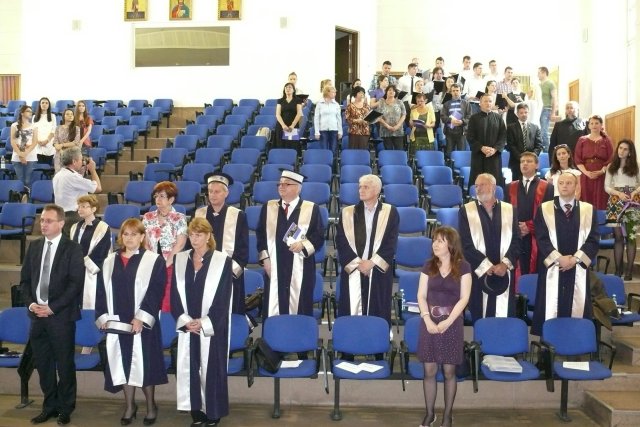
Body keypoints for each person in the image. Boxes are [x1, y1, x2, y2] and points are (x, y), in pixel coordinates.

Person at [95, 218, 167, 425]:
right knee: (123, 364)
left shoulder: (154, 260)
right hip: (117, 323)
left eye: (134, 234)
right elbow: (101, 291)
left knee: (145, 366)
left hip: (142, 324)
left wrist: (141, 317)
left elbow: (156, 291)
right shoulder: (110, 261)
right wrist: (102, 316)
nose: (129, 238)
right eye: (125, 234)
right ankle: (129, 406)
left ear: (142, 236)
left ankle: (151, 406)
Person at [20, 204, 84, 426]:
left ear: (61, 223)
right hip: (37, 317)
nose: (43, 224)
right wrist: (31, 304)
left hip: (61, 317)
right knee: (44, 365)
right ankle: (49, 406)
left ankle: (66, 408)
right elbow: (25, 281)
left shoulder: (72, 249)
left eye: (48, 220)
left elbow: (75, 284)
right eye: (42, 220)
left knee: (65, 365)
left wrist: (52, 307)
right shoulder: (35, 246)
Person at [171, 218, 233, 427]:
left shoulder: (222, 261)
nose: (194, 239)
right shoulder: (180, 259)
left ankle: (213, 412)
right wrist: (185, 321)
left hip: (211, 326)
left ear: (208, 236)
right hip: (188, 325)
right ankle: (196, 411)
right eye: (191, 234)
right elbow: (174, 295)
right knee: (190, 367)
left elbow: (223, 297)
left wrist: (205, 322)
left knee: (211, 368)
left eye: (199, 235)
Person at [531, 172, 599, 336]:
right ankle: (549, 345)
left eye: (569, 183)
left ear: (576, 186)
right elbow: (541, 238)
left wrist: (575, 259)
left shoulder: (588, 210)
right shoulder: (544, 209)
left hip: (577, 268)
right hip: (552, 268)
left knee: (577, 307)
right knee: (550, 307)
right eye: (561, 183)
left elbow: (593, 239)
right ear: (556, 186)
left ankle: (576, 345)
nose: (564, 186)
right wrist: (559, 258)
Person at [417, 226, 471, 427]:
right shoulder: (428, 265)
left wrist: (448, 321)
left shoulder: (464, 267)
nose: (435, 244)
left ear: (451, 244)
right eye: (434, 240)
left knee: (449, 372)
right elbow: (421, 295)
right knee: (429, 371)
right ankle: (430, 414)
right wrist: (427, 319)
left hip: (452, 323)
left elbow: (464, 298)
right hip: (429, 322)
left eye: (440, 240)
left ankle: (447, 415)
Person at [256, 170, 325, 318]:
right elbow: (260, 235)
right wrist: (265, 259)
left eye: (286, 184)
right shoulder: (268, 207)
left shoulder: (311, 208)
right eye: (280, 184)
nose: (281, 187)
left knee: (300, 306)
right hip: (274, 264)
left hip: (301, 266)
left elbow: (318, 237)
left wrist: (303, 245)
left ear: (298, 188)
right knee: (274, 305)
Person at [334, 174, 399, 326]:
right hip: (354, 268)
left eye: (366, 187)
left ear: (377, 190)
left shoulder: (390, 212)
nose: (361, 190)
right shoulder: (347, 213)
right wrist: (358, 264)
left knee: (377, 310)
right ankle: (350, 340)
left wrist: (372, 263)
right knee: (350, 309)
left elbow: (391, 242)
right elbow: (341, 241)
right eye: (360, 187)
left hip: (377, 270)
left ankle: (376, 340)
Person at [458, 173, 520, 322]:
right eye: (476, 186)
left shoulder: (509, 210)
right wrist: (486, 266)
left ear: (493, 187)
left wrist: (505, 264)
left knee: (504, 319)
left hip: (504, 274)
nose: (478, 189)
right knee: (480, 317)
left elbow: (517, 241)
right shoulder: (466, 211)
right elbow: (465, 244)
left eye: (482, 185)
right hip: (478, 273)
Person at [194, 173, 248, 314]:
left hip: (229, 275)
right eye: (210, 191)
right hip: (203, 271)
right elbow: (192, 244)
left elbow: (243, 250)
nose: (212, 195)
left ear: (226, 193)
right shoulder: (199, 214)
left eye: (217, 192)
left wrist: (229, 272)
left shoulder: (238, 215)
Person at [504, 152, 554, 276]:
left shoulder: (547, 188)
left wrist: (530, 226)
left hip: (537, 238)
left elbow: (549, 215)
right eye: (522, 161)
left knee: (535, 273)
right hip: (516, 237)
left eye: (529, 161)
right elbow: (505, 213)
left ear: (537, 165)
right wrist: (518, 228)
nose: (525, 164)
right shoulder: (509, 187)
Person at [142, 181, 188, 312]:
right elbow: (144, 242)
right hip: (151, 263)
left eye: (162, 196)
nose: (158, 199)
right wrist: (152, 261)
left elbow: (180, 244)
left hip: (172, 263)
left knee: (167, 301)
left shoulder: (179, 218)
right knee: (150, 298)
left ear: (171, 199)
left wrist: (165, 264)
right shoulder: (148, 217)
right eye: (156, 196)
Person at [604, 139, 640, 279]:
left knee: (631, 237)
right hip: (615, 201)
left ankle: (629, 271)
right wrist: (618, 194)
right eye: (620, 148)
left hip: (632, 201)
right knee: (618, 237)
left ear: (630, 152)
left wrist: (634, 192)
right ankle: (618, 269)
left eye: (625, 149)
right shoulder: (611, 166)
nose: (621, 151)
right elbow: (606, 187)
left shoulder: (636, 166)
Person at [70, 194, 111, 309]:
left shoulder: (103, 227)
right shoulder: (75, 227)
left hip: (92, 272)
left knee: (90, 303)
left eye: (84, 206)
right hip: (76, 270)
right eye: (79, 206)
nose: (80, 209)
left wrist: (81, 263)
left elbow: (101, 251)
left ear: (93, 209)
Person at [52, 146, 102, 237]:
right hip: (74, 216)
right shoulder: (73, 177)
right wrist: (93, 170)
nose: (82, 162)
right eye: (80, 159)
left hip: (61, 215)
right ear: (74, 161)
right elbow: (98, 188)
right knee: (77, 243)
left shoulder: (58, 175)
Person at [466, 94, 506, 187]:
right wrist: (481, 148)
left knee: (494, 183)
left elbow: (503, 136)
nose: (488, 103)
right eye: (485, 101)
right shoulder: (474, 118)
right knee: (478, 183)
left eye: (490, 101)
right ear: (480, 103)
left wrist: (495, 149)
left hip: (494, 156)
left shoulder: (499, 118)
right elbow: (470, 137)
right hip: (478, 156)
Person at [574, 115, 613, 209]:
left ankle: (600, 217)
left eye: (596, 123)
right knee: (586, 199)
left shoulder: (606, 140)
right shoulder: (582, 140)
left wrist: (602, 171)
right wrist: (587, 173)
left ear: (601, 125)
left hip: (602, 175)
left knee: (601, 199)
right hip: (586, 175)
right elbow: (577, 159)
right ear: (589, 126)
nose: (594, 125)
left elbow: (611, 158)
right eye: (591, 123)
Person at [506, 103, 543, 181]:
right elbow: (510, 145)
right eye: (521, 113)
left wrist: (531, 157)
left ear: (528, 113)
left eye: (526, 112)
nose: (524, 115)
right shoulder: (511, 128)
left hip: (532, 162)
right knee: (517, 184)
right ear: (517, 114)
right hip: (517, 162)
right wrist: (522, 158)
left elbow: (539, 145)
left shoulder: (535, 127)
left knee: (531, 184)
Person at [10, 104, 38, 192]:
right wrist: (20, 155)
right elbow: (12, 141)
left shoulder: (34, 126)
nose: (30, 113)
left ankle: (27, 198)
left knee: (27, 180)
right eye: (28, 111)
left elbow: (34, 142)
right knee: (20, 180)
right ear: (22, 113)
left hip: (30, 156)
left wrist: (25, 154)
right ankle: (20, 198)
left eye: (31, 111)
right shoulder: (14, 125)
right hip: (17, 156)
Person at [441, 83, 470, 155]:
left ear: (461, 91)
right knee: (449, 153)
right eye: (453, 91)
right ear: (450, 92)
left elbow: (470, 117)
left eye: (457, 90)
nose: (455, 92)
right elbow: (443, 117)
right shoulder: (446, 104)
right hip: (449, 131)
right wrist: (451, 120)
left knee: (461, 153)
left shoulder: (466, 104)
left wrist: (462, 121)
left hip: (462, 131)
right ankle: (449, 162)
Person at [376, 85, 406, 150]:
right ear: (386, 92)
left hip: (398, 131)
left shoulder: (399, 102)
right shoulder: (381, 102)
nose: (391, 91)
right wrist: (388, 126)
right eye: (389, 90)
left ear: (395, 93)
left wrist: (397, 126)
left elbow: (403, 115)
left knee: (399, 151)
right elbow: (379, 117)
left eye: (393, 90)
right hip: (385, 131)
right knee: (388, 151)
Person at [313, 85, 342, 152]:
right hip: (323, 130)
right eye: (333, 92)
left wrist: (340, 131)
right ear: (327, 92)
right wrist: (317, 132)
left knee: (333, 151)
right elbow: (316, 118)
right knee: (324, 151)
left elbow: (339, 119)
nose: (335, 94)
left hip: (334, 130)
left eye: (335, 92)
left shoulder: (336, 104)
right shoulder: (319, 104)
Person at [274, 82, 303, 150]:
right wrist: (283, 125)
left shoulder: (298, 100)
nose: (288, 89)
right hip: (281, 126)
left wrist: (292, 125)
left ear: (293, 90)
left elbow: (299, 113)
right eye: (286, 87)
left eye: (290, 87)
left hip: (293, 125)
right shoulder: (280, 101)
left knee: (292, 145)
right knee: (281, 145)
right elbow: (278, 114)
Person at [537, 66, 557, 152]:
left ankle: (547, 151)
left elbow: (554, 98)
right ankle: (540, 149)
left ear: (544, 73)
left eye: (539, 73)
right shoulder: (538, 85)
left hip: (546, 109)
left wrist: (553, 112)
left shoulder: (550, 83)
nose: (537, 75)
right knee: (538, 130)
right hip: (538, 109)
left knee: (544, 131)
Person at [33, 97, 56, 166]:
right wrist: (37, 141)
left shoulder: (52, 116)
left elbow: (53, 131)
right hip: (37, 145)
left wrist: (46, 141)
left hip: (49, 145)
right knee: (38, 167)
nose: (44, 104)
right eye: (42, 103)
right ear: (40, 105)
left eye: (46, 103)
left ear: (49, 105)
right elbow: (33, 131)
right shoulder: (34, 117)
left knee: (47, 167)